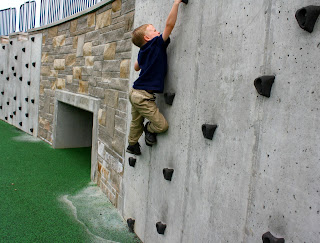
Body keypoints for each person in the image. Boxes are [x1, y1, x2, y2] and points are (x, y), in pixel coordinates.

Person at [126, 0, 183, 155]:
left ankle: (132, 144)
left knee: (135, 121)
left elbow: (136, 67)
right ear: (147, 38)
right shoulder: (156, 44)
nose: (158, 32)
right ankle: (148, 128)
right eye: (154, 30)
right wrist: (176, 4)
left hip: (134, 92)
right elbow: (169, 25)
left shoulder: (143, 50)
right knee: (162, 126)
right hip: (143, 96)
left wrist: (145, 62)